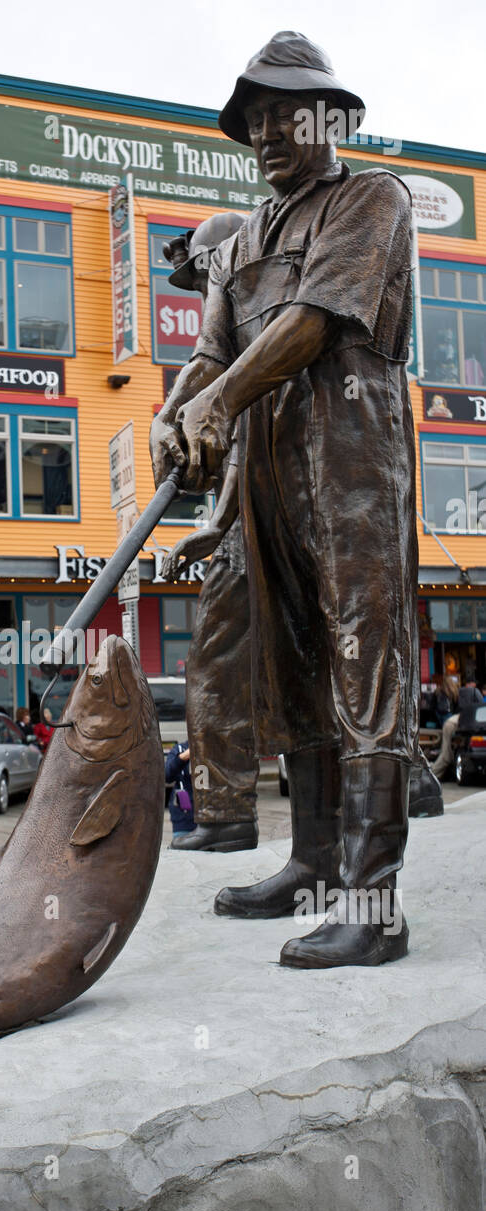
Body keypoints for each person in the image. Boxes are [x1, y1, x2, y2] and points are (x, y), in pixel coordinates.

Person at [154, 32, 419, 969]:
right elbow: (211, 350)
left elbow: (313, 322)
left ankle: (372, 902)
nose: (265, 134)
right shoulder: (244, 235)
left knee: (362, 664)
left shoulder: (370, 198)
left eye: (283, 115)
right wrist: (177, 410)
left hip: (348, 463)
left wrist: (220, 400)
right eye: (253, 121)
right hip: (265, 470)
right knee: (297, 663)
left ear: (331, 119)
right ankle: (311, 865)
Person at [154, 212, 259, 853]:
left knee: (217, 656)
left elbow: (254, 434)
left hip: (263, 522)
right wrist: (216, 521)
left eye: (202, 279)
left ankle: (221, 811)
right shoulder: (255, 327)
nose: (202, 297)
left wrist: (219, 526)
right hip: (258, 516)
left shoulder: (251, 327)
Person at [431, 668, 483, 779]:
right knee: (446, 756)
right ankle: (431, 777)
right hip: (454, 723)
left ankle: (433, 775)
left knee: (446, 755)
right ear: (473, 684)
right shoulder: (473, 692)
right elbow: (480, 707)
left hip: (451, 722)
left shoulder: (457, 692)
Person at [165, 741, 195, 843]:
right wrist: (183, 757)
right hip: (184, 819)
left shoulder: (216, 748)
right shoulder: (180, 749)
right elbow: (167, 775)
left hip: (211, 820)